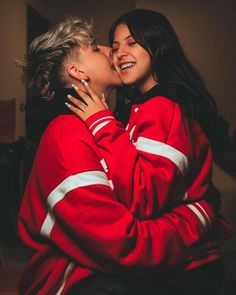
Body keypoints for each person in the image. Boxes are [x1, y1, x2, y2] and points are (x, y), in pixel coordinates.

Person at [65, 9, 232, 295]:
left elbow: (147, 197)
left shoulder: (164, 104)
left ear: (157, 45)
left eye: (132, 42)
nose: (119, 54)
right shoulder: (140, 107)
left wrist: (100, 121)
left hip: (187, 272)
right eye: (115, 47)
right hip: (174, 261)